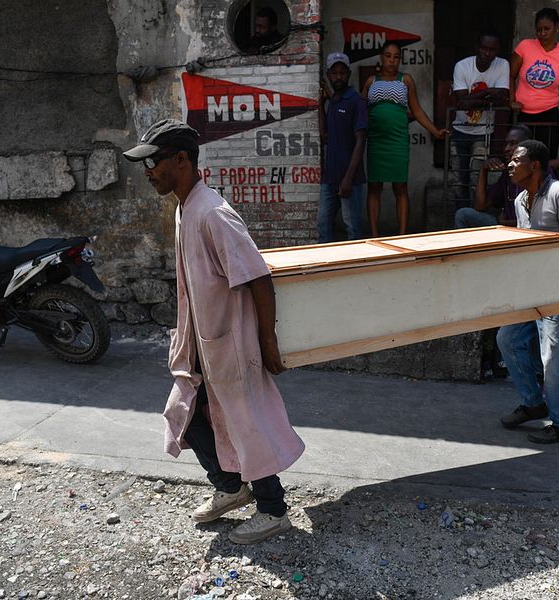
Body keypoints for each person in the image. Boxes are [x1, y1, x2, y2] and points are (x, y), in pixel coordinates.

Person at [123, 119, 305, 542]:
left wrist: (267, 341)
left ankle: (273, 510)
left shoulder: (214, 214)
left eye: (152, 161)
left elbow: (259, 278)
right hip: (201, 346)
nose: (147, 171)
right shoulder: (185, 209)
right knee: (186, 417)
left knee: (247, 425)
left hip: (232, 345)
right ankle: (230, 488)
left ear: (181, 160)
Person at [498, 139, 559, 443]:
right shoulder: (520, 200)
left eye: (516, 160)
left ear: (534, 165)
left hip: (557, 290)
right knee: (508, 339)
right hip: (530, 288)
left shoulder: (558, 193)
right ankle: (533, 404)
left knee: (552, 359)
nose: (510, 165)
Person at [361, 42, 448, 237]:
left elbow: (416, 110)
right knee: (374, 186)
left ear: (400, 59)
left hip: (397, 141)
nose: (392, 60)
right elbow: (360, 111)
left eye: (396, 57)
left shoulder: (406, 80)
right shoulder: (370, 81)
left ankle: (402, 235)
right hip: (376, 141)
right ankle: (374, 236)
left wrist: (435, 131)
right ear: (381, 57)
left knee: (400, 186)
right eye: (388, 56)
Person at [451, 31, 510, 207]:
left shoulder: (502, 65)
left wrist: (471, 99)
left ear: (498, 50)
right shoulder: (462, 66)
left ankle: (473, 217)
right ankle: (460, 217)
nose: (487, 53)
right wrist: (487, 92)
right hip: (459, 130)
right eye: (484, 48)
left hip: (483, 131)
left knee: (477, 177)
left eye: (492, 49)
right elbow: (460, 101)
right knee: (458, 178)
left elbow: (501, 98)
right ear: (477, 47)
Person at [318, 52, 367, 243]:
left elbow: (361, 140)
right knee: (323, 224)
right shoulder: (335, 102)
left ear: (349, 73)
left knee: (352, 228)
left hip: (350, 180)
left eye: (342, 72)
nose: (338, 77)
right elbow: (325, 137)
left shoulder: (355, 101)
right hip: (330, 178)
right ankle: (325, 267)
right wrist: (321, 107)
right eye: (334, 73)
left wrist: (347, 178)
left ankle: (356, 268)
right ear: (329, 75)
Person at [454, 124, 532, 228]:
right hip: (506, 227)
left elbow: (534, 222)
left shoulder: (538, 172)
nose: (507, 149)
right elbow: (480, 206)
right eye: (506, 144)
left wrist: (504, 223)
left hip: (528, 232)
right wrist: (483, 170)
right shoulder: (507, 175)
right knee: (463, 214)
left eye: (513, 143)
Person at [510, 8, 559, 159]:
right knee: (520, 160)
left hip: (549, 116)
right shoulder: (524, 47)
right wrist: (512, 101)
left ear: (556, 27)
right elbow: (511, 75)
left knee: (545, 160)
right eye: (539, 30)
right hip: (521, 115)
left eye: (547, 29)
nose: (542, 33)